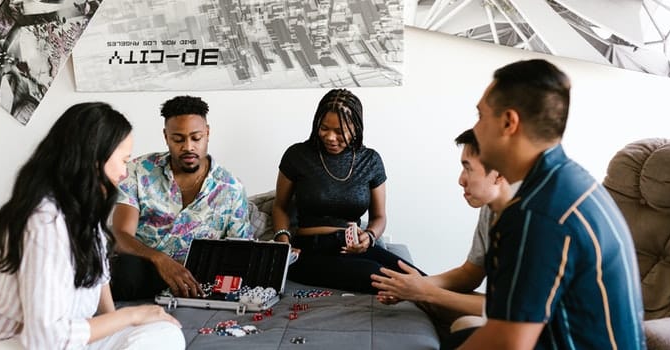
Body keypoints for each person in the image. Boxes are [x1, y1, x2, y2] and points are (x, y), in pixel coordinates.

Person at [0, 103, 185, 349]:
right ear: (96, 159)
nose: (125, 172)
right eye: (124, 160)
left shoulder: (83, 208)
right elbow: (45, 339)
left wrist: (120, 325)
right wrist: (130, 315)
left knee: (164, 333)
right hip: (0, 342)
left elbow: (100, 277)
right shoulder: (44, 222)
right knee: (142, 322)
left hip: (56, 337)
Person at [457, 59, 645, 349]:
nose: (476, 129)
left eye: (480, 116)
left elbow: (508, 343)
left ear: (509, 122)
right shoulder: (574, 182)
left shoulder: (536, 214)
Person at [272, 88, 424, 294]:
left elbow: (379, 217)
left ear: (356, 129)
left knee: (419, 279)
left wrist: (369, 237)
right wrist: (283, 245)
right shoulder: (297, 155)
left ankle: (467, 314)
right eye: (324, 128)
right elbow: (280, 206)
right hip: (309, 251)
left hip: (353, 246)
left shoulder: (370, 160)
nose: (331, 137)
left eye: (340, 131)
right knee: (382, 276)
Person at [371, 129, 511, 339]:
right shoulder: (490, 209)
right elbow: (469, 274)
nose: (460, 180)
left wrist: (425, 291)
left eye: (468, 169)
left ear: (498, 173)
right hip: (505, 310)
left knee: (464, 323)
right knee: (426, 302)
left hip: (533, 325)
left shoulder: (529, 221)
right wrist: (415, 285)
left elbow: (509, 308)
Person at [111, 95, 253, 300]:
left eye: (196, 138)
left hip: (199, 275)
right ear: (166, 136)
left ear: (208, 133)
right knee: (125, 269)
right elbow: (121, 235)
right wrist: (161, 260)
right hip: (146, 268)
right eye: (178, 139)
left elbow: (242, 249)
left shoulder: (231, 188)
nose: (188, 147)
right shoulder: (139, 170)